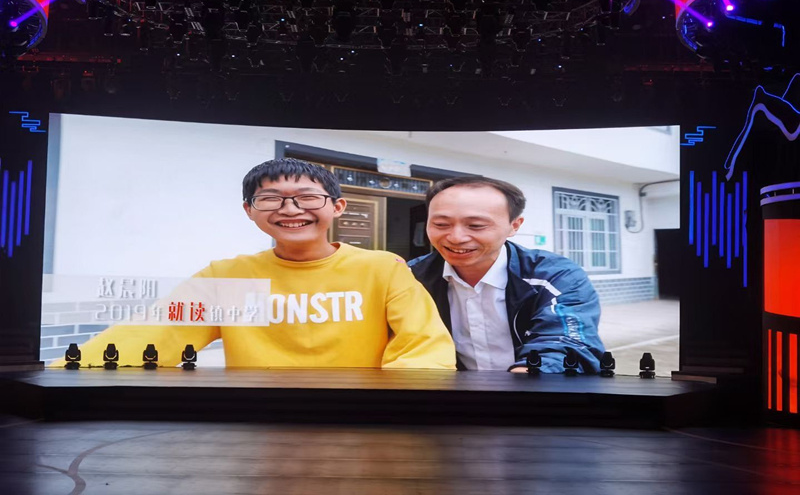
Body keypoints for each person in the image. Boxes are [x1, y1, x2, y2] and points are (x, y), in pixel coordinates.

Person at [68, 159, 456, 369]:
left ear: (337, 207)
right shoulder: (227, 276)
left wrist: (393, 407)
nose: (291, 209)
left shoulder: (382, 269)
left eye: (307, 197)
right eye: (270, 199)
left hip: (357, 419)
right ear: (249, 210)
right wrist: (65, 371)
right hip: (258, 418)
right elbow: (150, 336)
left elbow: (423, 348)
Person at [408, 176, 604, 373]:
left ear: (514, 226)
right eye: (441, 224)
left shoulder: (556, 276)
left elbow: (566, 344)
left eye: (476, 226)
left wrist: (528, 378)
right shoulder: (410, 278)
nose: (456, 238)